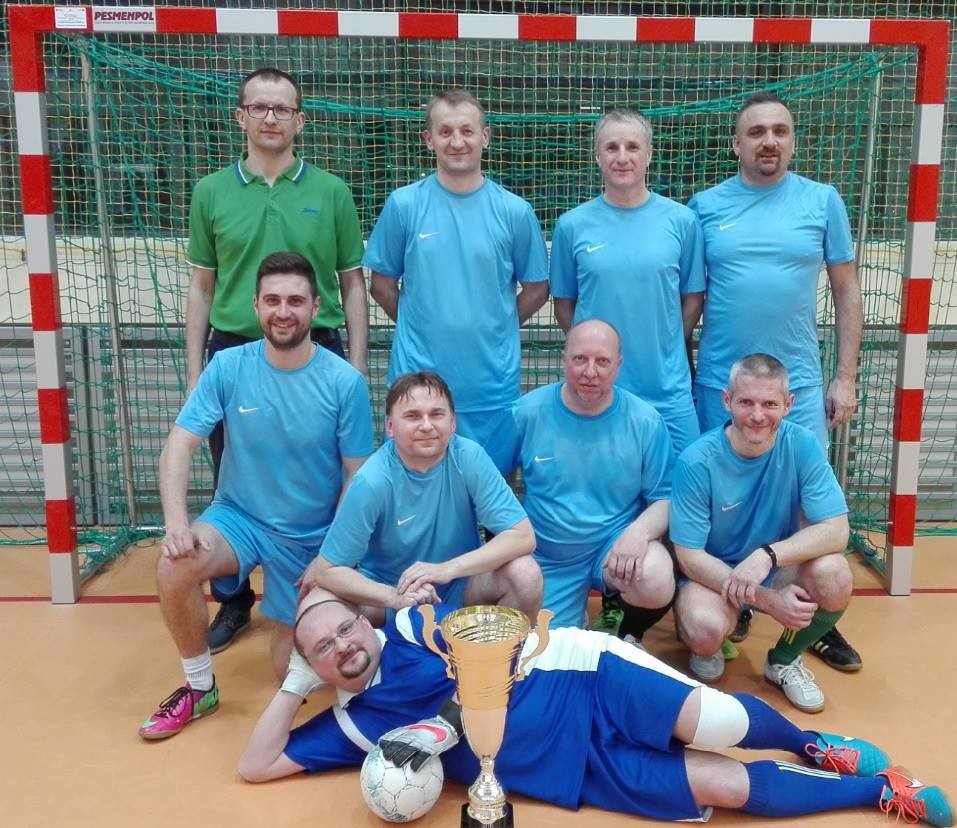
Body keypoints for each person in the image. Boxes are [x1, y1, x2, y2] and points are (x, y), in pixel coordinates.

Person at [237, 596, 953, 828]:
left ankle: (809, 743)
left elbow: (503, 649)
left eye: (344, 629)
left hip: (583, 677)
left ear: (363, 622)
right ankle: (879, 789)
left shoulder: (411, 626)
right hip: (570, 768)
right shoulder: (352, 726)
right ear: (315, 665)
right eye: (323, 648)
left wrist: (438, 724)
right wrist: (293, 684)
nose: (343, 646)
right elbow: (256, 765)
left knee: (723, 724)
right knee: (723, 786)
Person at [138, 252, 374, 740]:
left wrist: (331, 557)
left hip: (310, 538)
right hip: (238, 519)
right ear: (255, 306)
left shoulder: (344, 382)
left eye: (295, 301)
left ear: (315, 308)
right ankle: (199, 688)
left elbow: (358, 478)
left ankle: (350, 619)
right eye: (272, 300)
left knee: (289, 672)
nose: (283, 311)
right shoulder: (227, 366)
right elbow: (178, 445)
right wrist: (177, 525)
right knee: (174, 565)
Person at [185, 67, 368, 653]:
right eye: (260, 107)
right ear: (240, 116)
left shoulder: (331, 192)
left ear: (300, 121)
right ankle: (234, 598)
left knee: (327, 477)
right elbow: (202, 287)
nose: (270, 118)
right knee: (231, 479)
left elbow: (353, 283)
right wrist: (195, 371)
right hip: (235, 352)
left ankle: (324, 580)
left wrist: (356, 364)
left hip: (317, 350)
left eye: (282, 109)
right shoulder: (211, 191)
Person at [688, 91, 864, 671]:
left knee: (810, 510)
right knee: (720, 500)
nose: (769, 141)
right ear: (736, 144)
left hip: (800, 385)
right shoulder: (704, 207)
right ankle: (732, 598)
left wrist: (844, 377)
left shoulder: (822, 200)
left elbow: (846, 291)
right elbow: (690, 300)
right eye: (757, 132)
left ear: (792, 141)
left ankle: (812, 620)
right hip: (721, 384)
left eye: (779, 131)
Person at [365, 89, 549, 475]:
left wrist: (496, 325)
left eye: (467, 130)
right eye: (445, 131)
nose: (457, 141)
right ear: (428, 139)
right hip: (418, 385)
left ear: (485, 137)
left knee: (488, 495)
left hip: (490, 387)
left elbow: (537, 288)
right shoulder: (404, 205)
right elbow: (381, 285)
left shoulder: (515, 212)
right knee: (413, 491)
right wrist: (420, 323)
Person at [670, 354, 852, 713]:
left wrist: (767, 555)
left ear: (788, 404)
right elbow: (689, 557)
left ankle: (783, 660)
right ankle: (714, 632)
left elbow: (836, 531)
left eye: (769, 404)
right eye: (746, 402)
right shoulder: (696, 461)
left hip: (773, 567)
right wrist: (767, 600)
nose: (757, 415)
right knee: (704, 633)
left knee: (835, 575)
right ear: (726, 401)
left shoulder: (802, 445)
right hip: (715, 575)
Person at [298, 371, 541, 624]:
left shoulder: (469, 457)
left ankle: (492, 649)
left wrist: (447, 569)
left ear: (453, 422)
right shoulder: (371, 480)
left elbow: (523, 536)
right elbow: (327, 570)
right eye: (412, 416)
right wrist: (394, 597)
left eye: (436, 414)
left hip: (460, 587)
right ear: (390, 427)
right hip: (390, 593)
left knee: (525, 574)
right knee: (316, 604)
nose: (426, 425)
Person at [550, 109, 705, 457]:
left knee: (683, 482)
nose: (622, 157)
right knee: (603, 483)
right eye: (612, 147)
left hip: (667, 391)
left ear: (649, 154)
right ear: (598, 156)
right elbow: (564, 305)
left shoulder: (683, 221)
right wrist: (594, 354)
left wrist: (665, 345)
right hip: (599, 391)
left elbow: (693, 299)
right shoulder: (571, 225)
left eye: (632, 147)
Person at [510, 320, 675, 639]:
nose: (590, 372)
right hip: (546, 555)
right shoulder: (526, 413)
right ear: (564, 359)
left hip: (611, 549)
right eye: (580, 359)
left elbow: (665, 497)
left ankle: (627, 634)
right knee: (543, 648)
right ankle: (572, 610)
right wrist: (512, 541)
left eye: (602, 361)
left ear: (618, 365)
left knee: (654, 577)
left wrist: (638, 533)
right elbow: (493, 483)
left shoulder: (645, 421)